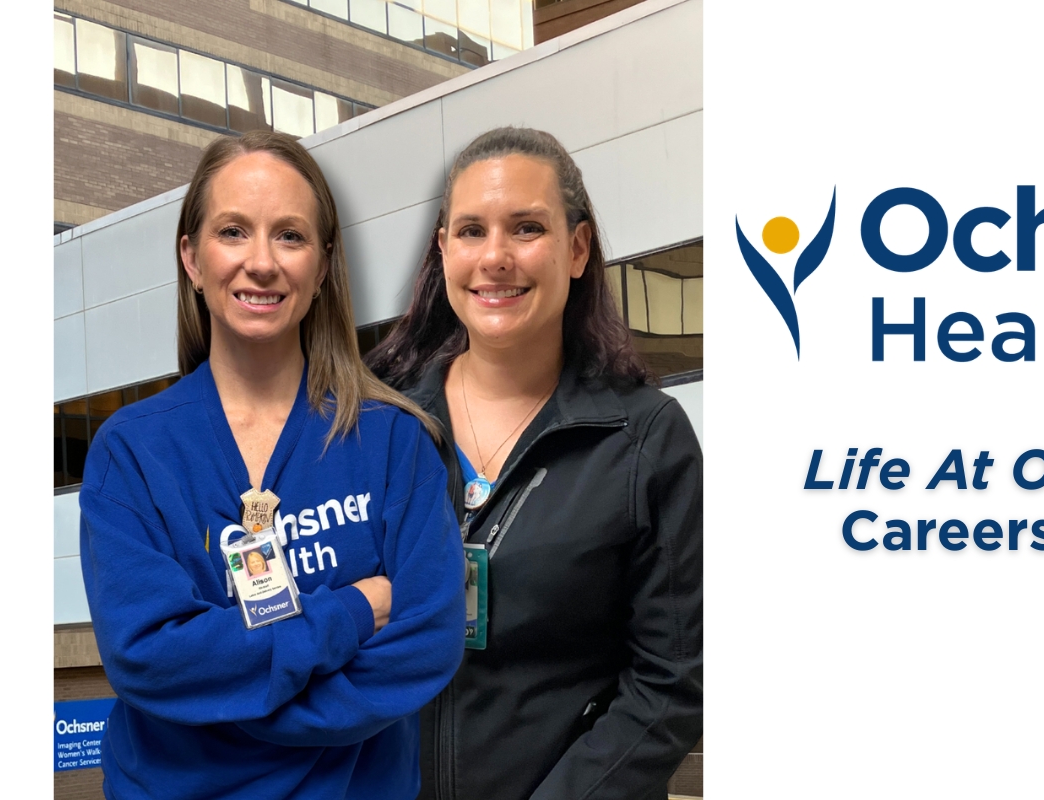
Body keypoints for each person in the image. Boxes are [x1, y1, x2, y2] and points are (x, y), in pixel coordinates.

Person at [78, 131, 467, 800]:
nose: (261, 263)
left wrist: (226, 697)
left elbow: (425, 643)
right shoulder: (130, 453)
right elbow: (149, 656)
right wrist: (347, 612)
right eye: (233, 231)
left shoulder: (394, 442)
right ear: (191, 258)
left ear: (322, 267)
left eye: (289, 236)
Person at [366, 127, 702, 800]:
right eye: (470, 231)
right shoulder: (377, 427)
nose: (495, 257)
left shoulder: (644, 440)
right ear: (442, 250)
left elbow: (671, 685)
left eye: (526, 228)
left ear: (577, 249)